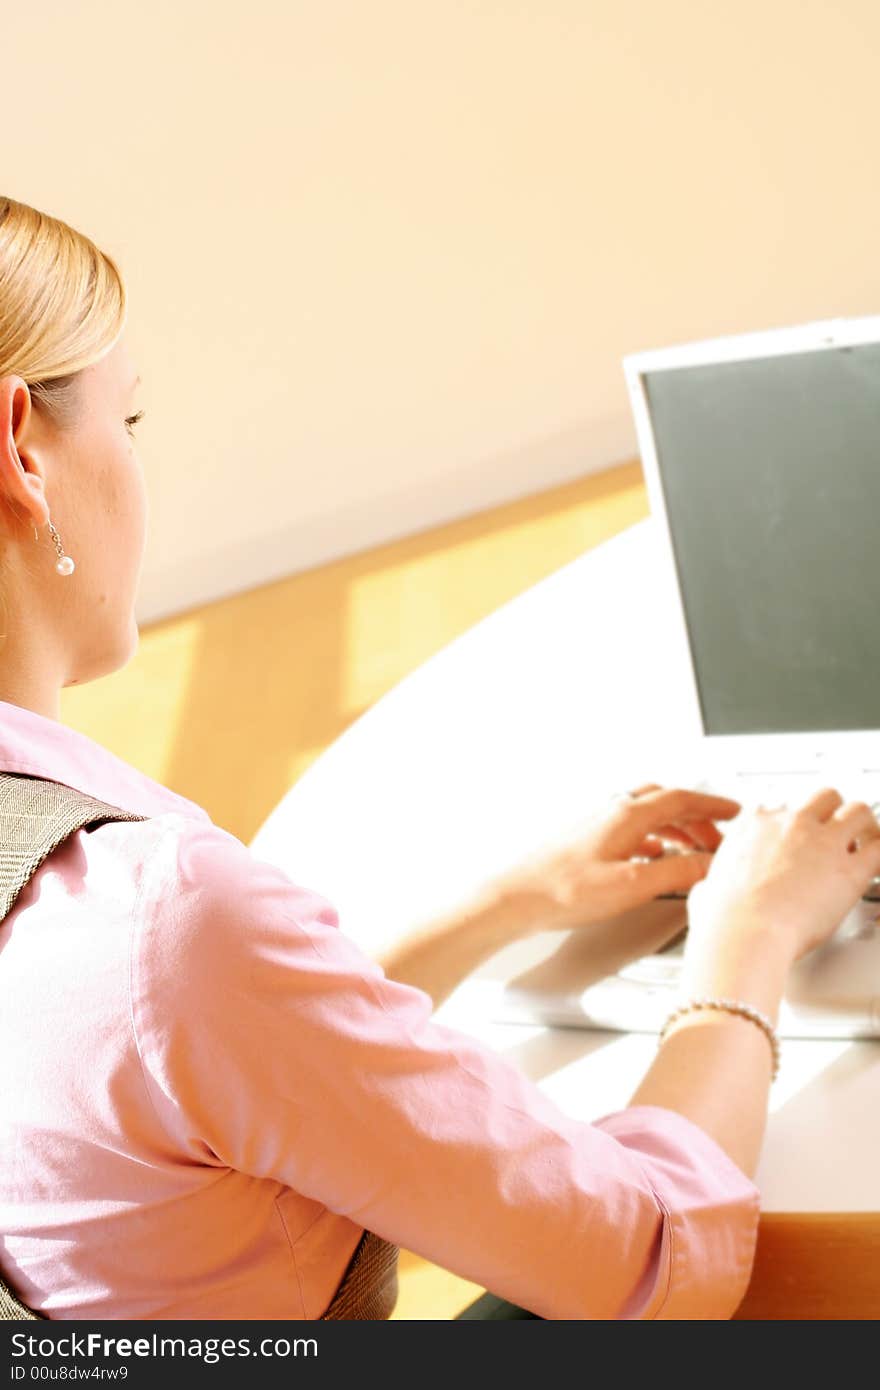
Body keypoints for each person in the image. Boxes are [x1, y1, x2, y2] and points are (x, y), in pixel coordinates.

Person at [1, 194, 878, 1322]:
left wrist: (505, 900)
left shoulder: (105, 928)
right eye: (128, 423)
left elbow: (210, 1070)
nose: (135, 464)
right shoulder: (152, 919)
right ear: (24, 450)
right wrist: (749, 937)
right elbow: (652, 1262)